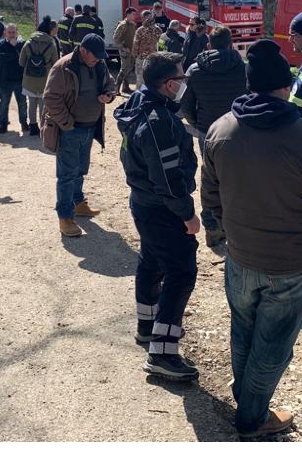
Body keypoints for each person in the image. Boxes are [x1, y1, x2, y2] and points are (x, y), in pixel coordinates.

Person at [202, 39, 302, 436]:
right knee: (272, 345)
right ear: (286, 87)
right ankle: (251, 418)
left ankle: (246, 397)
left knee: (243, 331)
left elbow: (211, 196)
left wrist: (230, 232)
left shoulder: (220, 129)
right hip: (295, 263)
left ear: (249, 84)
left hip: (241, 256)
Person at [114, 53, 200, 381]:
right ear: (169, 84)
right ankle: (162, 352)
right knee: (181, 272)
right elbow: (168, 177)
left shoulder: (140, 104)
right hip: (162, 207)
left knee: (151, 262)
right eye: (181, 78)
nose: (184, 83)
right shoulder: (158, 120)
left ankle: (148, 326)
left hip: (144, 202)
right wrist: (188, 214)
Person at [180, 25, 247, 247]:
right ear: (231, 44)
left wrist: (196, 124)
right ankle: (235, 226)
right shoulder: (243, 68)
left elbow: (186, 104)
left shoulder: (194, 70)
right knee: (237, 178)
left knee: (210, 178)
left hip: (207, 131)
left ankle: (212, 228)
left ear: (208, 45)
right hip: (238, 130)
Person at [43, 33, 115, 237]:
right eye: (95, 55)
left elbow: (110, 83)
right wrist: (67, 123)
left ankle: (78, 202)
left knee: (80, 168)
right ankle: (65, 217)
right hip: (70, 130)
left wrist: (108, 95)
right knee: (67, 174)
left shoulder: (99, 64)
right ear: (83, 50)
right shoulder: (63, 67)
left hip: (90, 127)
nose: (98, 59)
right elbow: (50, 97)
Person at [20, 17, 60, 137]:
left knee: (32, 104)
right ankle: (43, 128)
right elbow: (56, 64)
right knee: (43, 105)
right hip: (45, 80)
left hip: (29, 79)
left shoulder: (28, 43)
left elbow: (21, 62)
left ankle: (33, 127)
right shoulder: (51, 45)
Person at [0, 23, 28, 135]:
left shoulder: (22, 44)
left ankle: (24, 123)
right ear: (5, 33)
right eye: (9, 32)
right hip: (5, 80)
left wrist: (16, 47)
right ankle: (3, 124)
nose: (11, 34)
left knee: (22, 103)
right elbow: (1, 58)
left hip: (19, 79)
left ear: (17, 32)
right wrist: (15, 54)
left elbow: (25, 58)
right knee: (4, 104)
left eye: (13, 32)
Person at [131, 11, 162, 90]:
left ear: (143, 18)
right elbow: (160, 44)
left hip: (142, 58)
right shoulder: (158, 29)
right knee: (152, 78)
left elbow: (136, 44)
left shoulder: (140, 30)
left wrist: (135, 56)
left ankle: (140, 95)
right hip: (154, 58)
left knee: (140, 79)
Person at [113, 7, 139, 95]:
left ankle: (125, 87)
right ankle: (116, 89)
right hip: (125, 51)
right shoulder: (123, 25)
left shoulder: (132, 24)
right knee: (124, 69)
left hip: (131, 51)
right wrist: (123, 48)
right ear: (128, 15)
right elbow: (115, 38)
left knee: (129, 68)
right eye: (133, 14)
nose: (135, 16)